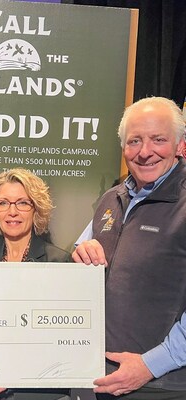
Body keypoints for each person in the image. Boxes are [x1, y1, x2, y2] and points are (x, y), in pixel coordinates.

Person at [72, 96, 186, 400]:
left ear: (179, 145)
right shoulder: (112, 198)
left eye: (158, 139)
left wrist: (150, 365)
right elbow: (83, 249)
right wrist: (81, 253)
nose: (145, 152)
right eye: (134, 141)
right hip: (101, 378)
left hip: (160, 385)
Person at [0, 168, 71, 400]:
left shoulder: (59, 261)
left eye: (22, 203)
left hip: (37, 388)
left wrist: (13, 373)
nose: (12, 211)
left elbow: (60, 340)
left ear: (36, 210)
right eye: (3, 203)